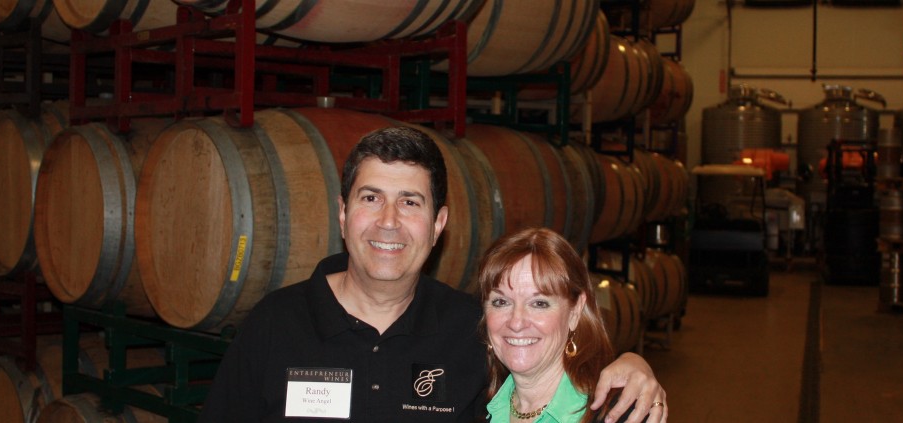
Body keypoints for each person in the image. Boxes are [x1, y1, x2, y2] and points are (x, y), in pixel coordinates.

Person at [200, 126, 666, 422]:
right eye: (370, 198)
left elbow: (548, 366)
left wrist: (632, 366)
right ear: (343, 214)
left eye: (410, 202)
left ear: (439, 223)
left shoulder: (472, 328)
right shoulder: (274, 323)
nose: (388, 221)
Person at [478, 228, 665, 423]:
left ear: (575, 312)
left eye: (539, 303)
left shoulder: (619, 414)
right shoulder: (476, 404)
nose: (516, 322)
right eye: (501, 302)